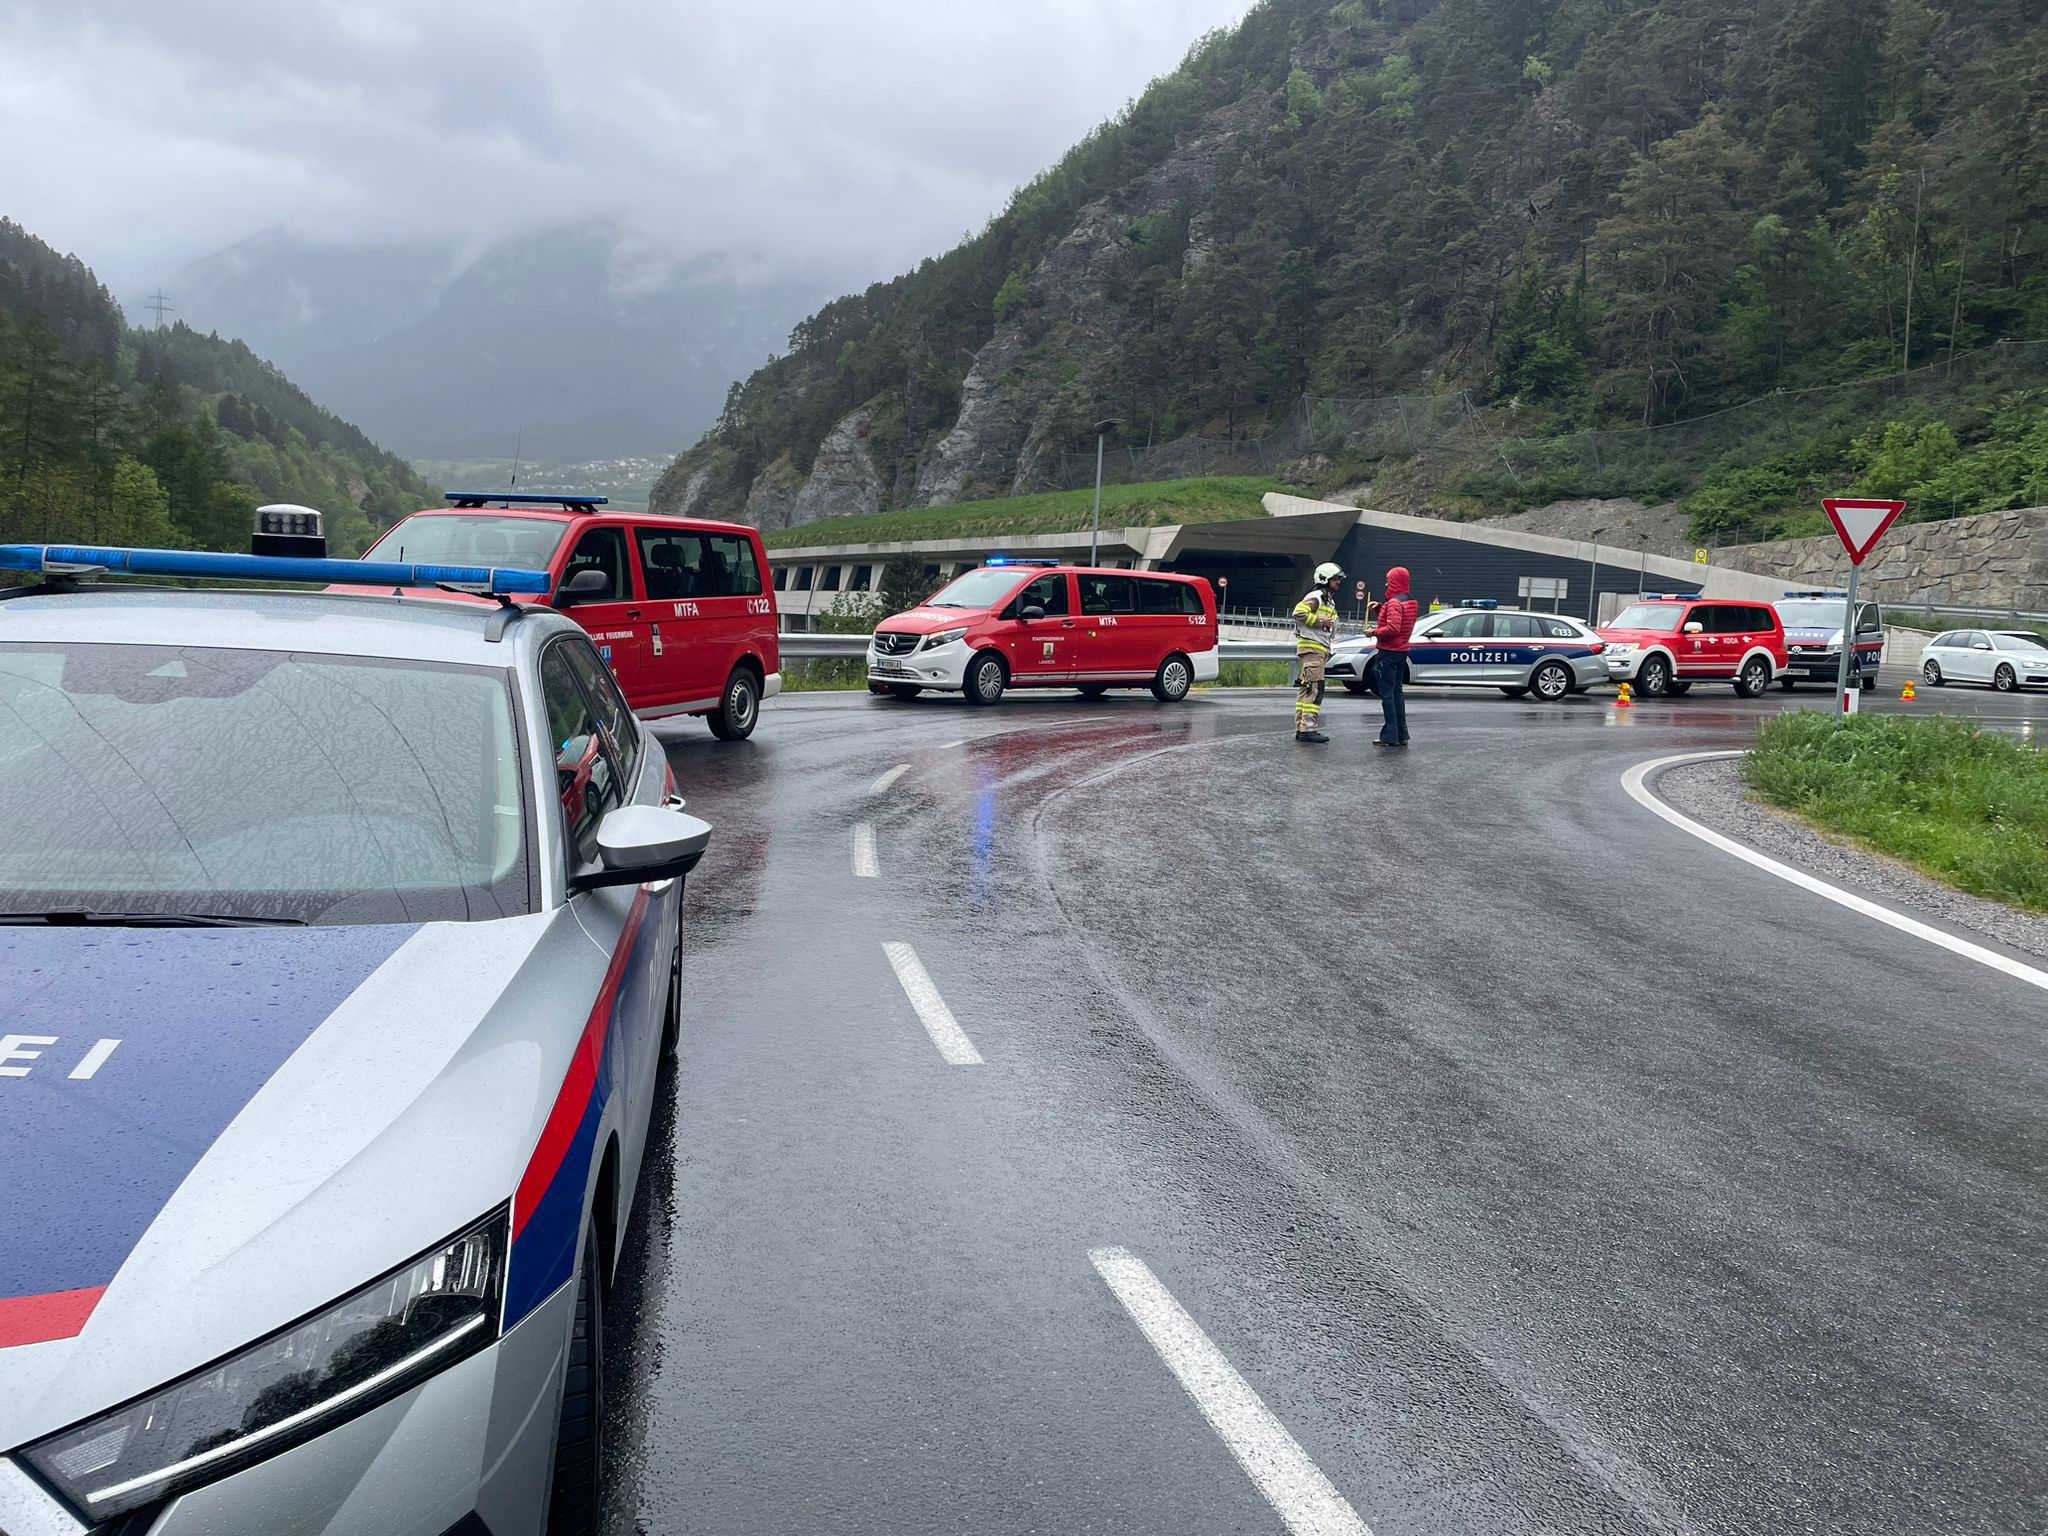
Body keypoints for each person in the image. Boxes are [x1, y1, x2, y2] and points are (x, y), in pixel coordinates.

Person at [1291, 561, 1344, 743]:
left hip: (1317, 649)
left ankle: (1302, 728)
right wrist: (1320, 621)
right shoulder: (1317, 597)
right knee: (1315, 688)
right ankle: (1308, 730)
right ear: (1324, 579)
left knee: (1307, 688)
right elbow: (1298, 612)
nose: (1338, 582)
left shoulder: (1327, 599)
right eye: (1335, 579)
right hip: (1313, 648)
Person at [1371, 565, 1418, 747]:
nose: (1386, 584)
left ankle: (1389, 735)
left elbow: (1392, 628)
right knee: (1397, 692)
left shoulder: (1394, 603)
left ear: (1395, 582)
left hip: (1388, 652)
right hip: (1401, 651)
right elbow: (1400, 621)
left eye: (1388, 581)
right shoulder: (1410, 601)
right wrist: (1380, 609)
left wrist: (1373, 632)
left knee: (1387, 694)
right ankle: (1401, 734)